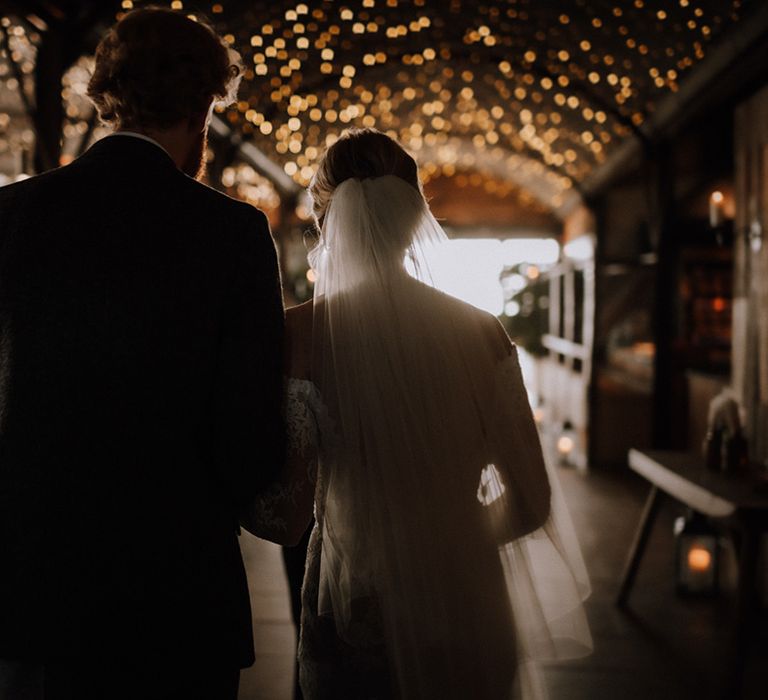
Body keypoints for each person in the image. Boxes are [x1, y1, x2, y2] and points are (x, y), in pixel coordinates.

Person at [242, 128, 592, 699]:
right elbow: (531, 502)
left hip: (356, 615)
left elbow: (286, 520)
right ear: (414, 217)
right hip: (467, 602)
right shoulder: (483, 334)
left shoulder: (302, 335)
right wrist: (448, 540)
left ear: (328, 223)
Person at [0, 9, 284, 700]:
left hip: (33, 593)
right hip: (179, 600)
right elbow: (249, 441)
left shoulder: (9, 218)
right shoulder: (233, 233)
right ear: (203, 106)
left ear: (107, 97)